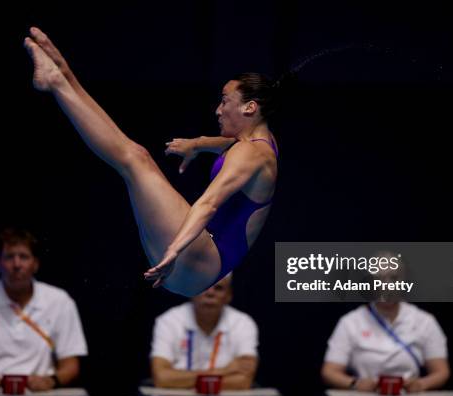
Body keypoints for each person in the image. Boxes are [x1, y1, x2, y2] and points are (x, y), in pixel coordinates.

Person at [23, 27, 279, 296]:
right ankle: (62, 74)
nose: (218, 109)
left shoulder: (251, 154)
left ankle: (57, 82)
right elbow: (231, 144)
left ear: (250, 107)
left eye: (225, 101)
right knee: (132, 161)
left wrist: (174, 249)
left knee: (135, 159)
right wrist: (199, 144)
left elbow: (209, 203)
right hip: (200, 267)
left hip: (194, 259)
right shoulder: (265, 143)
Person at [0, 228, 88, 391]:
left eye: (24, 257)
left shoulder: (60, 301)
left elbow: (71, 365)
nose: (17, 264)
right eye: (9, 257)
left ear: (35, 264)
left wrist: (51, 381)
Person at [321, 252, 450, 396]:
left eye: (394, 278)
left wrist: (421, 384)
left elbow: (441, 371)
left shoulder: (425, 321)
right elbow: (329, 371)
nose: (387, 284)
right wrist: (355, 383)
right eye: (379, 278)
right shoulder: (350, 322)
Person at [150, 274, 258, 389]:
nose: (210, 293)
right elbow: (161, 379)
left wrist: (180, 379)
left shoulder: (243, 323)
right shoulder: (169, 321)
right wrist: (223, 371)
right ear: (191, 292)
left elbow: (243, 382)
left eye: (219, 288)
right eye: (204, 287)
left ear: (229, 296)